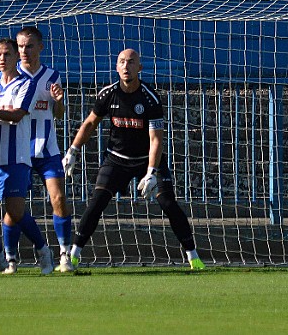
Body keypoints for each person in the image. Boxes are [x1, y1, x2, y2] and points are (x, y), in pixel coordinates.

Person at [62, 49, 204, 270]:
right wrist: (73, 150)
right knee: (97, 201)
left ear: (139, 68)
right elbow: (90, 123)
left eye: (131, 62)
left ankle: (193, 256)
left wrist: (151, 172)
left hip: (147, 160)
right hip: (116, 159)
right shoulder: (107, 94)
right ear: (116, 67)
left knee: (168, 203)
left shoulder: (150, 98)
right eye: (121, 62)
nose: (126, 66)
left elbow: (156, 139)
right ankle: (73, 255)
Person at [0, 38, 55, 275]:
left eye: (7, 54)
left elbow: (16, 115)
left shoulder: (25, 85)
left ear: (16, 57)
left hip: (15, 157)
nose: (2, 58)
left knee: (16, 212)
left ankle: (43, 252)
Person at [15, 26, 74, 272]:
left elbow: (58, 115)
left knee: (58, 198)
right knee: (14, 206)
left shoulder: (52, 76)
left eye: (29, 46)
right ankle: (17, 256)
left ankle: (64, 255)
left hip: (48, 149)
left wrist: (59, 101)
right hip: (18, 150)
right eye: (20, 46)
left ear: (40, 47)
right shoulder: (10, 75)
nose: (24, 51)